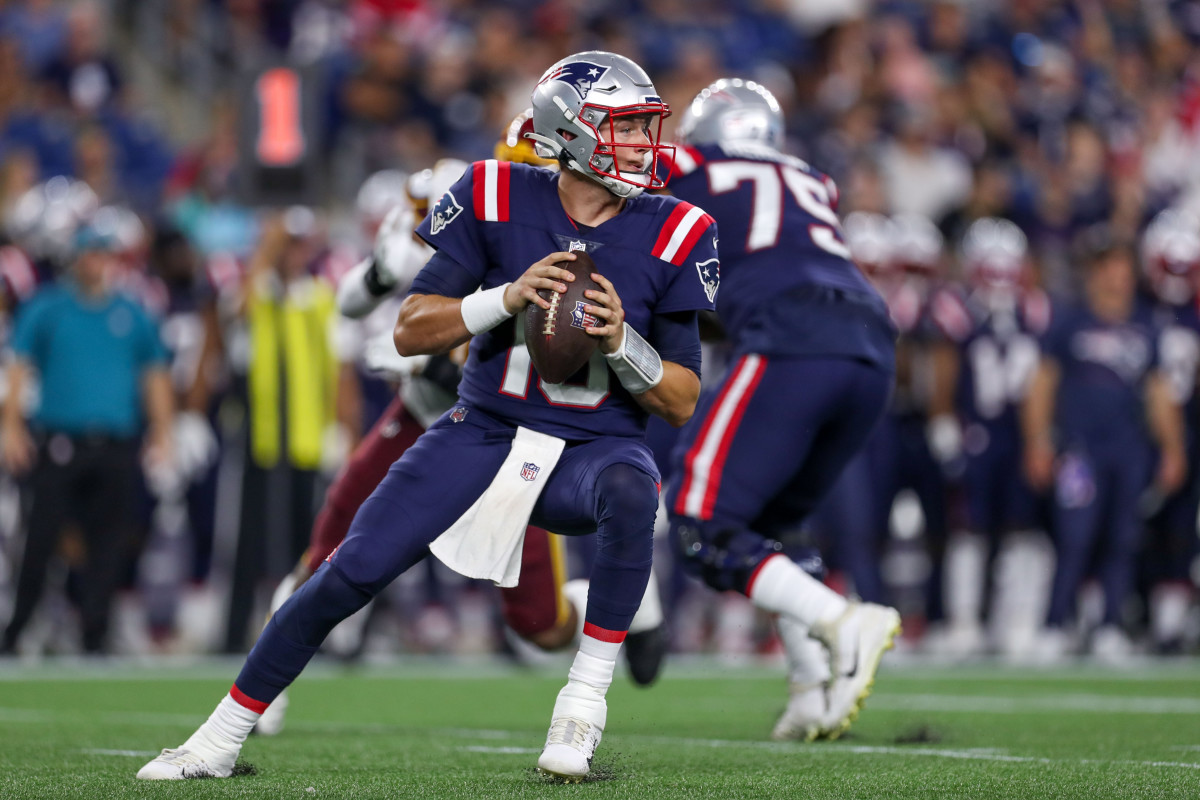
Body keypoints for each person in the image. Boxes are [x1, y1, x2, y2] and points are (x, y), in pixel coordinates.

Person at [138, 50, 715, 782]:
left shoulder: (679, 227)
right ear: (572, 132)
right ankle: (217, 739)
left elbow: (682, 398)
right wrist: (504, 299)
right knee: (348, 569)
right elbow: (410, 328)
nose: (645, 144)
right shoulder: (494, 193)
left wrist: (621, 340)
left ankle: (581, 708)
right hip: (482, 429)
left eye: (644, 128)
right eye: (627, 128)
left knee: (634, 491)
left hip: (593, 447)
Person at [661, 78, 901, 742]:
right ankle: (811, 690)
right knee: (778, 525)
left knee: (697, 522)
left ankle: (841, 621)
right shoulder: (811, 178)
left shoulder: (689, 165)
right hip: (872, 345)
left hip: (793, 337)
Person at [1, 220, 174, 655]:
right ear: (75, 257)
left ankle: (95, 633)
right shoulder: (49, 308)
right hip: (61, 440)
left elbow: (154, 375)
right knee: (41, 539)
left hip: (115, 442)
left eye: (103, 254)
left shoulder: (130, 312)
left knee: (109, 544)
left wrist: (163, 433)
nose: (96, 263)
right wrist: (11, 426)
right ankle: (19, 627)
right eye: (89, 253)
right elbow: (18, 367)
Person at [1022, 233, 1185, 659]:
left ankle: (1111, 625)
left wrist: (1172, 449)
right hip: (1080, 449)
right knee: (1074, 535)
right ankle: (1054, 624)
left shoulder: (1147, 326)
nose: (1116, 277)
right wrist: (1038, 440)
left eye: (1122, 268)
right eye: (1108, 268)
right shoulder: (1070, 322)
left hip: (1129, 450)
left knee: (1123, 537)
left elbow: (1159, 394)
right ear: (1094, 274)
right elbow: (1042, 385)